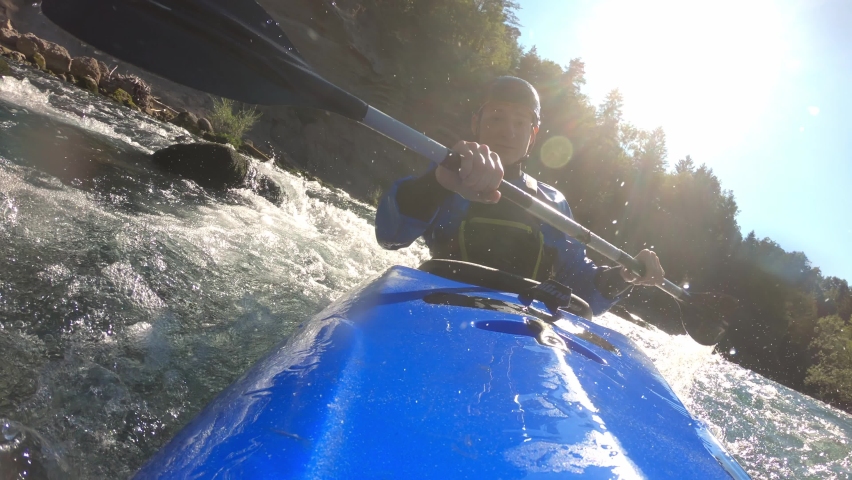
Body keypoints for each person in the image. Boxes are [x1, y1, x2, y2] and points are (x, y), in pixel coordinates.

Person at [375, 76, 665, 315]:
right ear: (477, 123)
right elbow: (390, 234)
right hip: (444, 309)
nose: (508, 131)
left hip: (523, 324)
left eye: (520, 123)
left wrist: (623, 275)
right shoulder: (447, 173)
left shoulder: (552, 202)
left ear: (533, 135)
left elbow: (580, 283)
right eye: (497, 117)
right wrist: (437, 183)